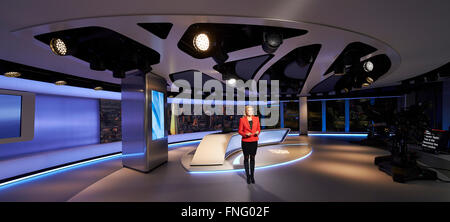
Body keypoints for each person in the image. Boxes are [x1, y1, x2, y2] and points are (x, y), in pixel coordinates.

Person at [238, 105, 261, 184]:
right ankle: (248, 176)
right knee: (246, 158)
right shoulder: (242, 119)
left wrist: (258, 132)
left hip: (254, 141)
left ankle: (252, 176)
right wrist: (245, 134)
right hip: (246, 141)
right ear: (246, 111)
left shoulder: (256, 119)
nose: (250, 111)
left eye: (251, 110)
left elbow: (259, 129)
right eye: (248, 110)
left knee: (252, 158)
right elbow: (240, 131)